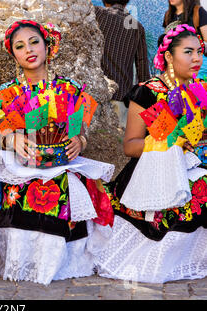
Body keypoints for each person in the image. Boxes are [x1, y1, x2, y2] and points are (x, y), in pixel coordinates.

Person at [0, 20, 115, 285]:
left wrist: (80, 141)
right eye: (20, 46)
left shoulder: (70, 89)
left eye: (34, 42)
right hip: (21, 167)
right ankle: (28, 263)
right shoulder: (1, 93)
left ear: (47, 46)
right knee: (23, 188)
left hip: (62, 165)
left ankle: (65, 262)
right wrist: (12, 138)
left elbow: (80, 132)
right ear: (14, 54)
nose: (29, 50)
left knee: (66, 184)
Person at [92, 24, 207, 283]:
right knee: (201, 187)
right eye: (188, 52)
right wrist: (171, 141)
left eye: (199, 52)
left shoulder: (200, 91)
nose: (197, 58)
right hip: (154, 170)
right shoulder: (148, 91)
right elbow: (131, 146)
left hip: (195, 163)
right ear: (168, 56)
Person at [95, 0, 150, 128]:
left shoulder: (96, 14)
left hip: (93, 97)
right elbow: (143, 70)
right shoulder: (137, 27)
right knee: (118, 144)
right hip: (120, 99)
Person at [163, 0, 207, 79]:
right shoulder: (168, 15)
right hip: (175, 65)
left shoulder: (198, 12)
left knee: (195, 89)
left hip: (196, 64)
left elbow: (206, 39)